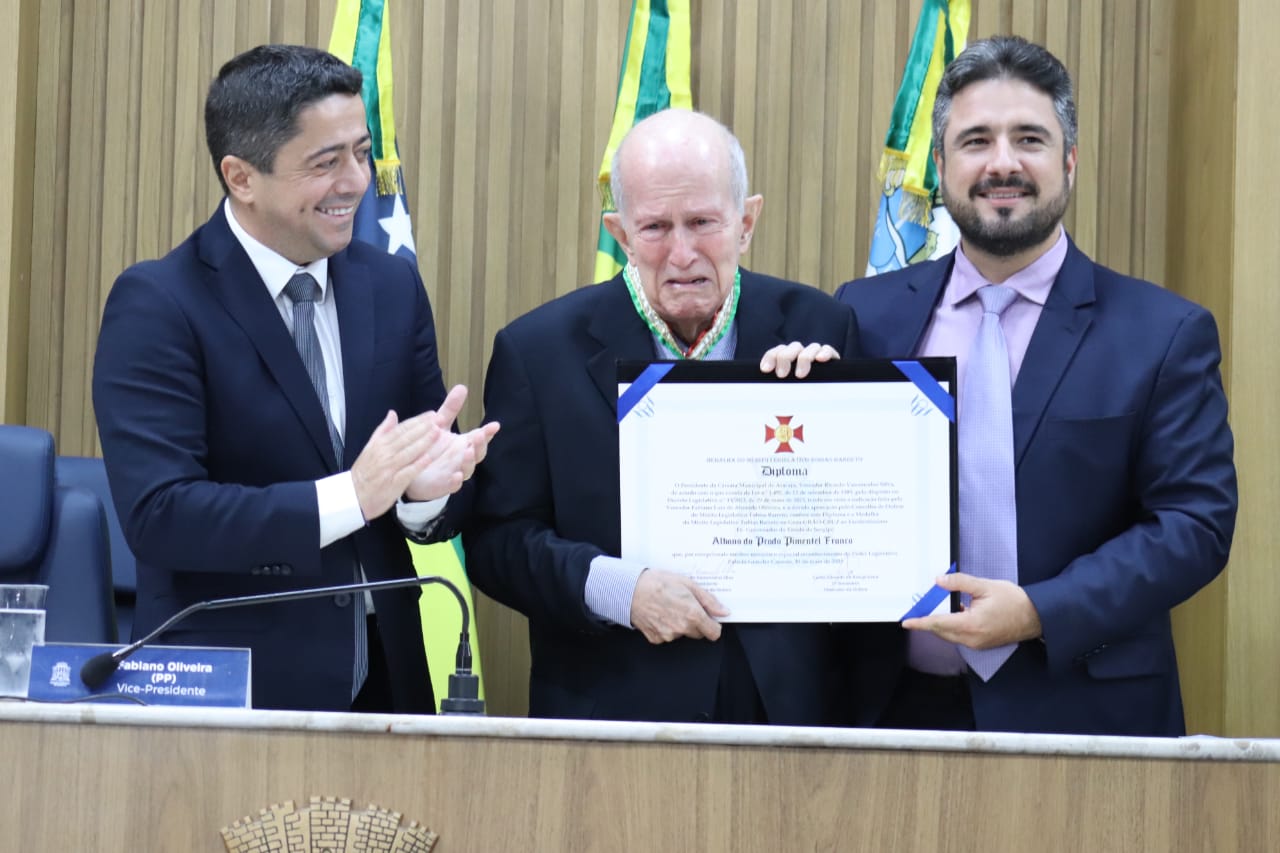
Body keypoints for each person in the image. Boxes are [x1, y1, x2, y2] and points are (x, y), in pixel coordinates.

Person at [829, 36, 1237, 735]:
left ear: (1069, 162)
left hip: (1084, 711)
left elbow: (1193, 525)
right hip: (887, 711)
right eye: (976, 140)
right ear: (941, 163)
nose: (1003, 163)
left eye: (1030, 139)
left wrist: (1040, 609)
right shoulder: (861, 314)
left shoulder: (1162, 332)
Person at [92, 45, 498, 713]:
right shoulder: (161, 303)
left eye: (362, 153)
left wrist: (421, 496)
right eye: (325, 162)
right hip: (230, 694)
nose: (356, 181)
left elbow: (428, 486)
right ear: (241, 177)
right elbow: (161, 513)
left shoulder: (390, 285)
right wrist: (352, 496)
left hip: (389, 686)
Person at [463, 109, 858, 724]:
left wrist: (834, 417)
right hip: (612, 709)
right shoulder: (537, 350)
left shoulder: (822, 328)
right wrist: (619, 591)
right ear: (619, 232)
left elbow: (867, 521)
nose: (682, 253)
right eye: (654, 228)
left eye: (703, 222)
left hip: (790, 711)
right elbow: (498, 543)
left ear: (746, 221)